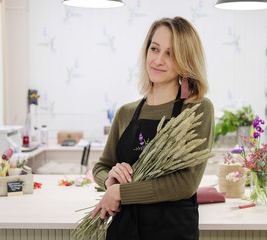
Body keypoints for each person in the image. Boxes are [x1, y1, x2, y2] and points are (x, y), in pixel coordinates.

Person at [91, 16, 214, 240]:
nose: (158, 60)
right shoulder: (125, 113)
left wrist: (120, 192)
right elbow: (101, 166)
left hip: (172, 232)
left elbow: (186, 184)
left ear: (185, 61)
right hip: (125, 230)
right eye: (154, 48)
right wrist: (109, 180)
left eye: (171, 53)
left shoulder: (197, 110)